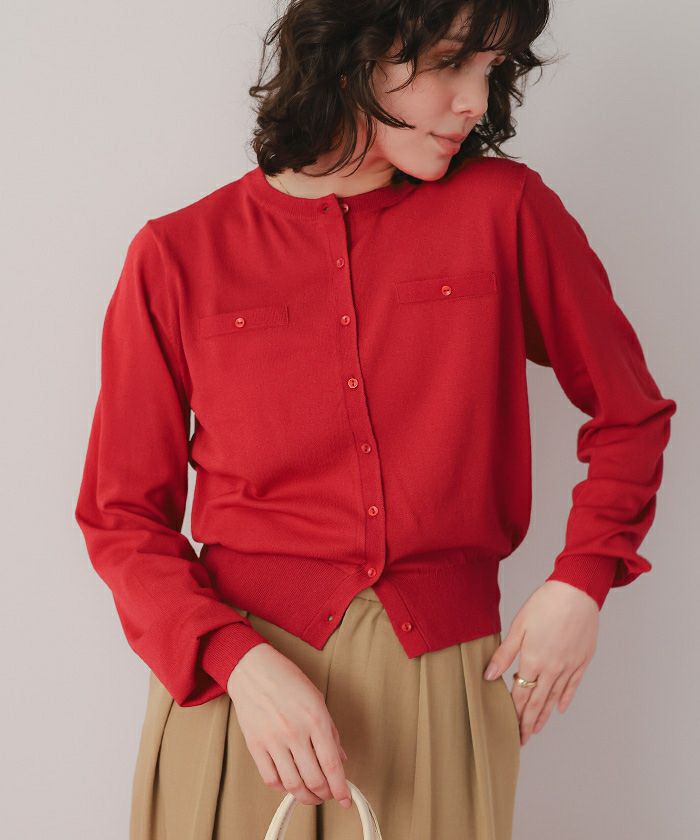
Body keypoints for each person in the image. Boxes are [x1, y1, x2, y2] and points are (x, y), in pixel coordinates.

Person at [74, 1, 677, 839]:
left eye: (492, 69)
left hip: (441, 691)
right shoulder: (177, 254)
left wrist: (582, 580)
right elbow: (120, 516)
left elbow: (629, 412)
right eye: (451, 62)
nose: (474, 100)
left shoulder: (505, 212)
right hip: (243, 703)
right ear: (354, 52)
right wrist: (236, 662)